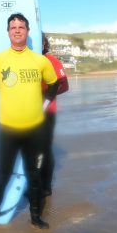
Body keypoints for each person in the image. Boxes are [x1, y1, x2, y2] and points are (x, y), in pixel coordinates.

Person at [0, 13, 59, 233]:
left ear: (28, 31)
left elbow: (54, 84)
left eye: (21, 27)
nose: (17, 30)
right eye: (13, 27)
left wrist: (44, 106)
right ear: (8, 32)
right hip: (6, 132)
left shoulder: (40, 61)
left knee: (34, 177)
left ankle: (35, 217)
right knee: (1, 177)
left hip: (35, 131)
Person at [41, 33, 69, 198]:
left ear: (45, 43)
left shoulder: (51, 61)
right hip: (28, 113)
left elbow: (64, 85)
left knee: (44, 150)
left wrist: (47, 93)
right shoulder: (28, 60)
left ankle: (46, 186)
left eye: (41, 40)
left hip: (47, 112)